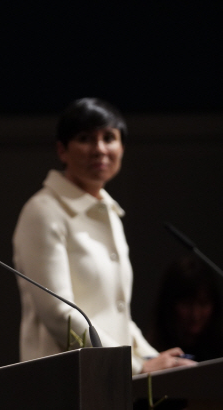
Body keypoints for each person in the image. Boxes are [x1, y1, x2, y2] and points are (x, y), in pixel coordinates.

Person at [12, 97, 196, 374]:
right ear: (62, 150)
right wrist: (136, 367)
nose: (99, 149)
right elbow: (60, 315)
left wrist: (154, 361)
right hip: (63, 383)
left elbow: (117, 317)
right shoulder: (43, 211)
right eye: (85, 138)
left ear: (122, 147)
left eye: (109, 138)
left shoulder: (108, 211)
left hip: (110, 380)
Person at [148, 256, 223, 362]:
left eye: (203, 304)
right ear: (170, 305)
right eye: (187, 304)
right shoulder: (151, 354)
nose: (195, 315)